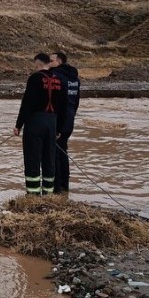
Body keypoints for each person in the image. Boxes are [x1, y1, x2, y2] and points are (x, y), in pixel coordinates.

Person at [13, 53, 67, 196]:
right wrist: (59, 128)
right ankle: (48, 195)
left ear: (37, 64)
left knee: (32, 159)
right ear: (49, 63)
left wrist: (18, 125)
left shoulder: (34, 78)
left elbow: (27, 104)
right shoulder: (60, 80)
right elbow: (63, 107)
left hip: (35, 123)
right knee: (49, 159)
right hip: (52, 123)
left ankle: (33, 195)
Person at [49, 51, 81, 194]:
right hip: (69, 120)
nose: (49, 63)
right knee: (63, 152)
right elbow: (76, 102)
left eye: (51, 60)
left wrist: (56, 125)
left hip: (59, 121)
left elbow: (57, 102)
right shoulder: (74, 79)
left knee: (55, 153)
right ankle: (64, 186)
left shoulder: (57, 77)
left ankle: (57, 188)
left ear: (59, 62)